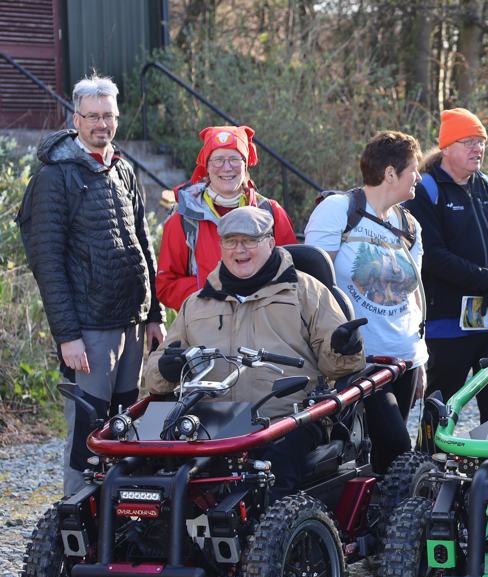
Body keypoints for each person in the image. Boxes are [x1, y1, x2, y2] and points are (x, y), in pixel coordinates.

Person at [143, 207, 366, 500]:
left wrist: (343, 347)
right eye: (231, 241)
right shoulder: (197, 303)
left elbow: (339, 366)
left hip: (286, 421)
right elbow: (154, 378)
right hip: (209, 425)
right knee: (146, 479)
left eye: (250, 241)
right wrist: (167, 369)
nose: (240, 250)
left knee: (271, 480)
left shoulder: (306, 291)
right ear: (220, 246)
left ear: (271, 242)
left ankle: (268, 544)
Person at [18, 75, 164, 496]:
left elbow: (142, 240)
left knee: (125, 427)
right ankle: (73, 536)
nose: (102, 124)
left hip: (133, 325)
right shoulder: (55, 176)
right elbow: (47, 263)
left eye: (110, 116)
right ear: (76, 118)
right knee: (88, 437)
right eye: (94, 116)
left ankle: (116, 524)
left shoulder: (122, 167)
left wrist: (154, 313)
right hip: (89, 331)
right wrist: (68, 337)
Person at [305, 131, 427, 475]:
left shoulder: (409, 225)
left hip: (405, 358)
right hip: (361, 361)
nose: (418, 176)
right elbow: (314, 286)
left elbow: (414, 294)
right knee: (396, 448)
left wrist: (422, 359)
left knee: (387, 464)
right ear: (390, 173)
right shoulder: (339, 211)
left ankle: (380, 526)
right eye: (413, 170)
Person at [404, 108, 488, 422]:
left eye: (481, 142)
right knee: (441, 407)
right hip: (447, 323)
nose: (477, 149)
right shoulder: (426, 190)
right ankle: (429, 466)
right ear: (446, 148)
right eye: (468, 141)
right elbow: (432, 255)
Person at [156, 125, 296, 311]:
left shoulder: (270, 213)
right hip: (207, 327)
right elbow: (166, 284)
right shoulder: (183, 219)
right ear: (206, 165)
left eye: (234, 159)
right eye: (218, 160)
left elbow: (293, 273)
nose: (227, 167)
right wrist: (213, 294)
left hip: (263, 326)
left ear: (245, 163)